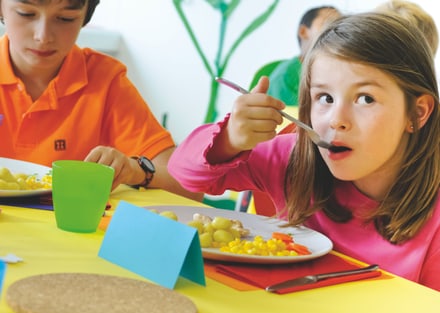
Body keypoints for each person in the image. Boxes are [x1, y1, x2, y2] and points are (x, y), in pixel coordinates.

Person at [168, 12, 440, 290]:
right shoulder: (293, 158)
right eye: (325, 98)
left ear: (417, 114)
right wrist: (229, 139)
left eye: (365, 98)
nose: (336, 119)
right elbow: (183, 173)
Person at [0, 0, 202, 201]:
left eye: (65, 18)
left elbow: (189, 185)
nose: (43, 36)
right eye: (25, 13)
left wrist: (135, 170)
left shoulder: (105, 82)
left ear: (86, 14)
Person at [265, 5, 341, 105]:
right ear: (303, 32)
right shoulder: (286, 77)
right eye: (328, 24)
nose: (338, 32)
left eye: (340, 26)